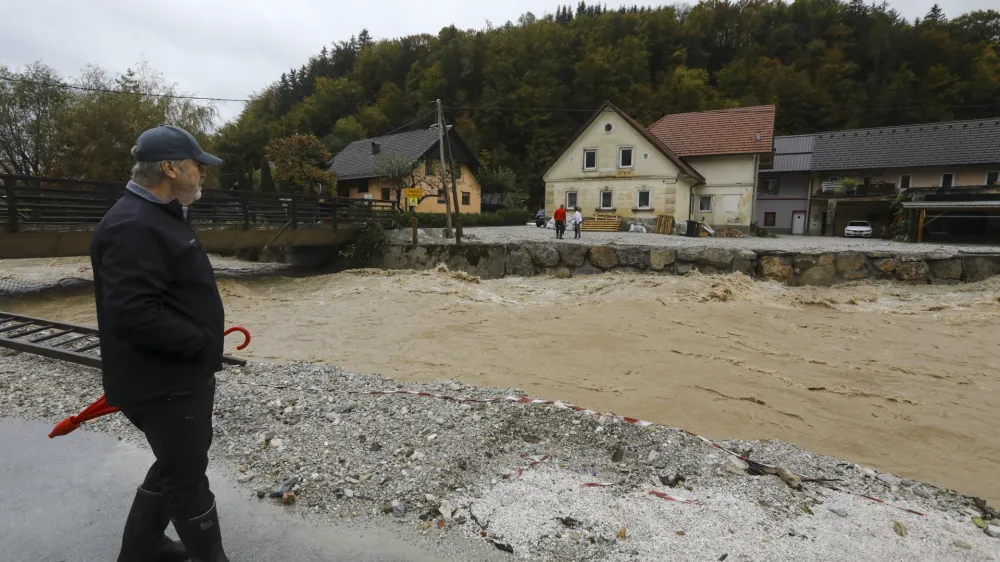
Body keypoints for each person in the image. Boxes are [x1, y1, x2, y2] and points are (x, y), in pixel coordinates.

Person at [91, 125, 229, 562]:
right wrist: (200, 341)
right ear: (170, 168)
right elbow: (133, 313)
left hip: (174, 374)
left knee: (177, 460)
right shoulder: (134, 225)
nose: (202, 174)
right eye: (197, 166)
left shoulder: (157, 215)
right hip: (164, 381)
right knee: (186, 477)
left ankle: (144, 546)